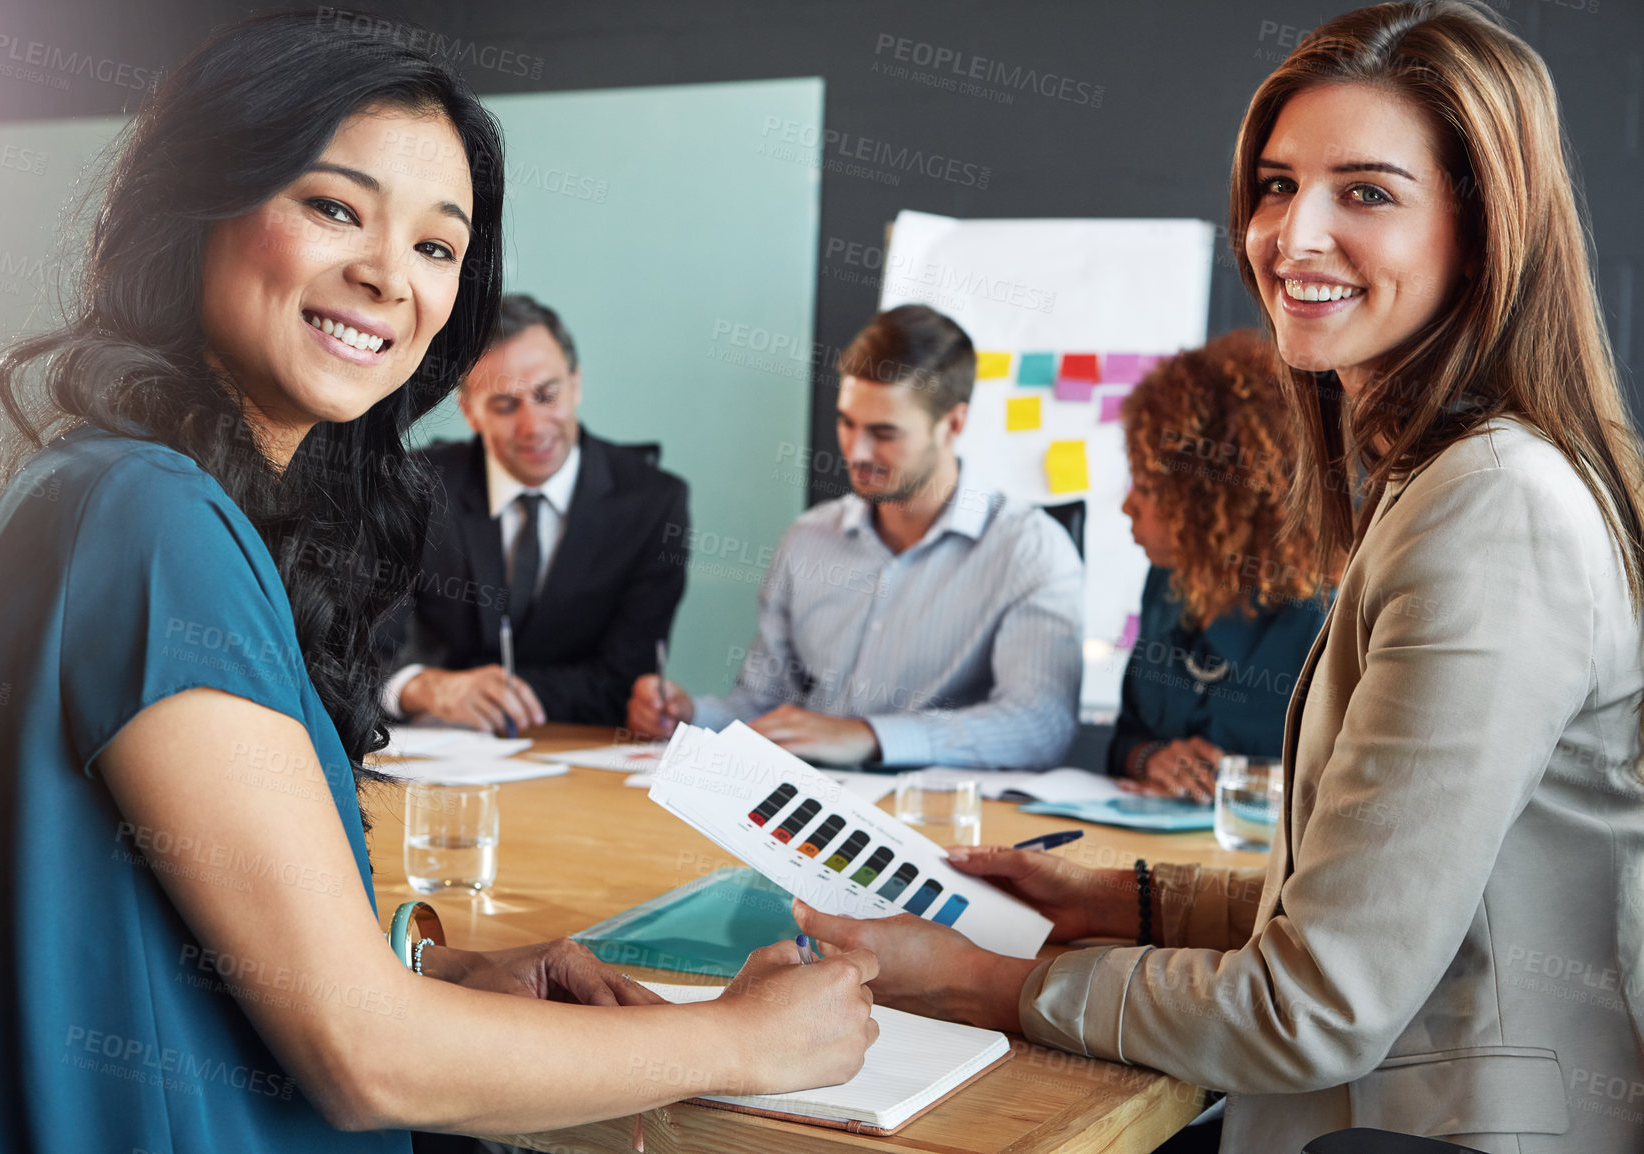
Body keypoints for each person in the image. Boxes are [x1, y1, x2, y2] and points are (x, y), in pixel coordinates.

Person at [0, 14, 877, 1152]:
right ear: (200, 206)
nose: (386, 275)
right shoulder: (148, 516)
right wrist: (745, 1039)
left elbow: (128, 925)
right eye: (333, 207)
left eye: (437, 245)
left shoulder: (135, 492)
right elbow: (368, 1056)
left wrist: (433, 961)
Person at [794, 3, 1644, 1151]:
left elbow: (1315, 1002)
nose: (1292, 235)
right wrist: (1130, 901)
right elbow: (1382, 898)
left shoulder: (1495, 509)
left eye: (1368, 191)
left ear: (1486, 230)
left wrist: (984, 980)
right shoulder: (1442, 480)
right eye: (1279, 184)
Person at [625, 304, 1085, 769]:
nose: (857, 452)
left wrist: (867, 736)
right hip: (802, 810)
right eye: (847, 423)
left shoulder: (1029, 550)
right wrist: (690, 715)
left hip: (942, 818)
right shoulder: (808, 540)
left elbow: (1039, 725)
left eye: (884, 433)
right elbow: (767, 707)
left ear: (953, 424)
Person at [379, 293, 690, 731]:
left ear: (576, 384)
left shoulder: (653, 502)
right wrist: (422, 687)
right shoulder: (414, 486)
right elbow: (352, 650)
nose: (533, 426)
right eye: (505, 405)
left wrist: (501, 696)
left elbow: (627, 679)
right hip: (433, 751)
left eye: (547, 395)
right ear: (469, 412)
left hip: (580, 758)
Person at [1108, 329, 1335, 801]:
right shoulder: (1165, 582)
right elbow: (1124, 741)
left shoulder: (1325, 619)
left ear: (1213, 498)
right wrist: (1153, 760)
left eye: (1149, 488)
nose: (1127, 506)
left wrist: (1250, 786)